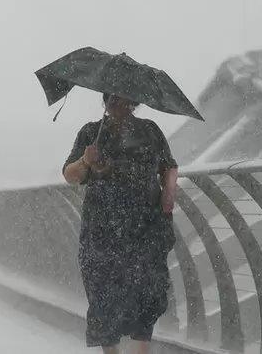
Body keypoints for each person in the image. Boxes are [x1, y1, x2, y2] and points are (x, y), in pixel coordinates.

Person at [62, 93, 178, 354]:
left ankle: (140, 350)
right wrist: (85, 161)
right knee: (102, 291)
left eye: (125, 100)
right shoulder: (92, 133)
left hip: (145, 224)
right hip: (103, 227)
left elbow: (169, 166)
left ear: (134, 102)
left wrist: (169, 194)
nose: (119, 106)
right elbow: (70, 174)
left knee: (146, 290)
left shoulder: (149, 130)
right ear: (105, 101)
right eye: (114, 100)